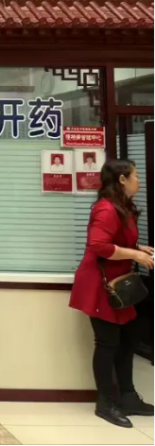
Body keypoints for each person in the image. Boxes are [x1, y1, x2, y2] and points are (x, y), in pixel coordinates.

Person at [69, 159, 155, 428]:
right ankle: (105, 403)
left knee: (128, 341)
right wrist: (135, 255)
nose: (139, 180)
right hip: (102, 286)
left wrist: (138, 248)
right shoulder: (106, 208)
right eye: (135, 176)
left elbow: (116, 240)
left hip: (120, 284)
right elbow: (98, 245)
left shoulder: (122, 207)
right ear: (122, 179)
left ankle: (127, 396)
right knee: (107, 343)